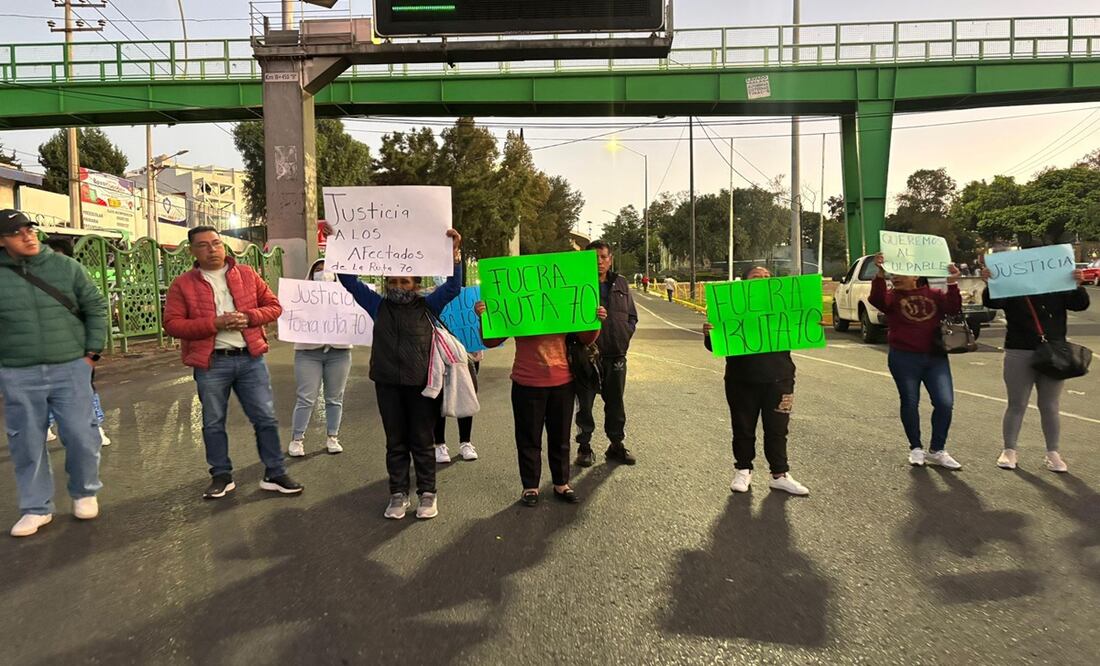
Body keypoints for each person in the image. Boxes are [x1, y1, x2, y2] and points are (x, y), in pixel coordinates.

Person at [164, 226, 302, 500]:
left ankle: (275, 472)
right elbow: (172, 324)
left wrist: (249, 317)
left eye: (216, 243)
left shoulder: (247, 274)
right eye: (203, 245)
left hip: (250, 359)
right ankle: (221, 475)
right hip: (212, 363)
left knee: (265, 418)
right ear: (192, 250)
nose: (212, 249)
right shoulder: (183, 284)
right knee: (213, 421)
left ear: (224, 247)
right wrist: (213, 324)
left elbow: (274, 306)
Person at [337, 229, 463, 521]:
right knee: (395, 441)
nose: (397, 286)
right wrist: (339, 246)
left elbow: (454, 287)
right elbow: (348, 282)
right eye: (392, 281)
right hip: (387, 384)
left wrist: (455, 255)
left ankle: (428, 493)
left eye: (404, 281)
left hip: (422, 385)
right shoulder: (377, 305)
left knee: (422, 440)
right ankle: (398, 493)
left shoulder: (428, 305)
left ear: (416, 284)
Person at [0, 210, 108, 537]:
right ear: (2, 241)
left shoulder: (66, 267)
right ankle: (36, 508)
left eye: (30, 229)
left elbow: (96, 307)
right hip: (17, 371)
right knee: (26, 442)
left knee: (81, 434)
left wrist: (91, 353)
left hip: (70, 366)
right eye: (17, 232)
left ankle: (85, 491)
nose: (28, 236)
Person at [475, 299, 605, 507]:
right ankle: (530, 486)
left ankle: (561, 483)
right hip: (526, 381)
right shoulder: (517, 301)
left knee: (560, 437)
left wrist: (595, 320)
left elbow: (585, 337)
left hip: (562, 381)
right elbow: (490, 340)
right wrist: (484, 317)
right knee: (528, 438)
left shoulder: (562, 300)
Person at [703, 266, 809, 495]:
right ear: (744, 282)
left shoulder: (784, 307)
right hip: (741, 379)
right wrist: (710, 333)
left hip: (780, 379)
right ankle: (743, 470)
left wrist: (813, 324)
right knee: (742, 428)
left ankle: (779, 474)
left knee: (778, 429)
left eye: (766, 277)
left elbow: (803, 327)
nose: (762, 280)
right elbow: (715, 345)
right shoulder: (732, 307)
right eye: (756, 277)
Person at [981, 263, 1090, 472]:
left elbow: (1080, 304)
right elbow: (994, 301)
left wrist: (1077, 284)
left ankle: (1053, 453)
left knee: (1050, 405)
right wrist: (991, 283)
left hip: (1054, 350)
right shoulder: (1014, 286)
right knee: (1017, 403)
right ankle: (1009, 450)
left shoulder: (1058, 285)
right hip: (1019, 349)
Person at [869, 252, 964, 469]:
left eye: (902, 273)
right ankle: (916, 447)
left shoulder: (934, 295)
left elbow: (953, 308)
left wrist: (953, 282)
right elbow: (876, 300)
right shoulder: (893, 297)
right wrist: (880, 274)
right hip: (903, 357)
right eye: (894, 274)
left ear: (916, 275)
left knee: (944, 402)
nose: (897, 278)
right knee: (910, 401)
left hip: (935, 357)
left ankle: (938, 449)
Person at [574, 240, 638, 466]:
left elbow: (632, 316)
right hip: (586, 356)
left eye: (603, 257)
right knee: (585, 405)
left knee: (615, 403)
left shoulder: (620, 283)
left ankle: (616, 444)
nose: (599, 262)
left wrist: (625, 334)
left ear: (610, 259)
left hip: (616, 355)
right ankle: (584, 447)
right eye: (594, 257)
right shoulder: (578, 284)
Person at [42, 236, 111, 448]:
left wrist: (93, 352)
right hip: (43, 348)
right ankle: (45, 426)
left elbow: (96, 312)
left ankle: (95, 428)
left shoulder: (78, 278)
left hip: (76, 348)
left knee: (84, 388)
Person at [288, 259, 351, 458]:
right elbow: (289, 316)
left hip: (339, 353)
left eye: (328, 269)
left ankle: (333, 437)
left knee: (335, 398)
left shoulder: (346, 296)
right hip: (308, 353)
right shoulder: (300, 297)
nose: (323, 272)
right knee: (306, 397)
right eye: (318, 269)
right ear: (311, 273)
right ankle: (297, 439)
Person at [434, 350, 483, 463]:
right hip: (438, 344)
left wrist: (478, 344)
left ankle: (466, 442)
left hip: (466, 348)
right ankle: (439, 444)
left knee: (466, 391)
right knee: (439, 392)